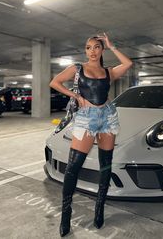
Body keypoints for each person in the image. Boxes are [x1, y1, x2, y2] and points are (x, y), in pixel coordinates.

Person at [49, 33, 132, 237]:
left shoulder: (108, 72)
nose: (92, 51)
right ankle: (66, 216)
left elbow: (128, 63)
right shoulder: (77, 68)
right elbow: (55, 82)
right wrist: (75, 95)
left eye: (96, 47)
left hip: (108, 117)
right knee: (73, 166)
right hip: (87, 117)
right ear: (85, 50)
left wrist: (112, 45)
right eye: (88, 47)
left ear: (101, 50)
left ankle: (99, 209)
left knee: (105, 165)